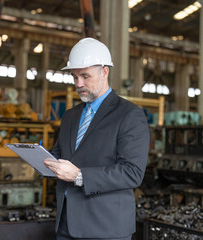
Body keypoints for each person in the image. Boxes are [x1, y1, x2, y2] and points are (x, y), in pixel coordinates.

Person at [44, 38, 150, 240]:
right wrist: (38, 158)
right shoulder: (70, 116)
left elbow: (132, 172)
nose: (78, 84)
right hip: (67, 224)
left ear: (104, 71)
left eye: (85, 76)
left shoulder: (129, 115)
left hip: (105, 227)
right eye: (74, 77)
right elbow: (59, 156)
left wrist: (79, 176)